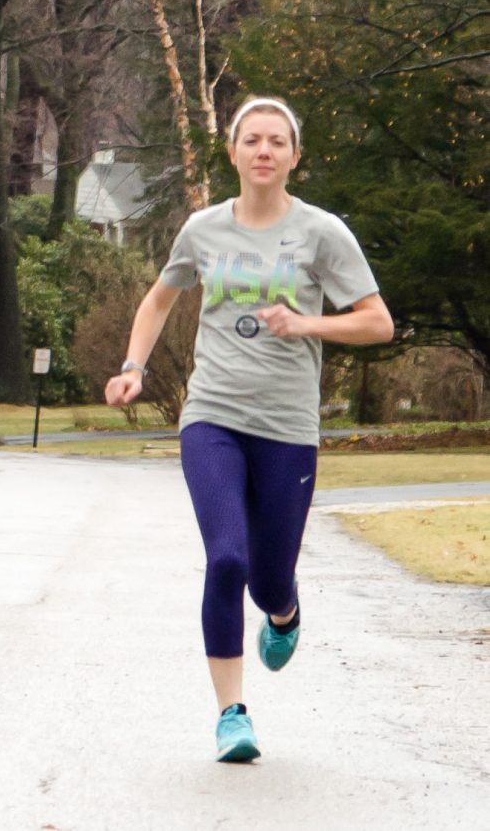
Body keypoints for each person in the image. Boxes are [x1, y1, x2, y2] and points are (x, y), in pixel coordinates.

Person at [104, 95, 394, 763]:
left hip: (288, 425)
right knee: (226, 556)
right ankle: (232, 714)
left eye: (277, 141)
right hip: (213, 416)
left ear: (295, 156)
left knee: (268, 579)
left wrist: (308, 324)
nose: (264, 151)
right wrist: (132, 367)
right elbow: (159, 298)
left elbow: (377, 322)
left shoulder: (323, 233)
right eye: (252, 140)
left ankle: (285, 613)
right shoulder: (204, 229)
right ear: (232, 152)